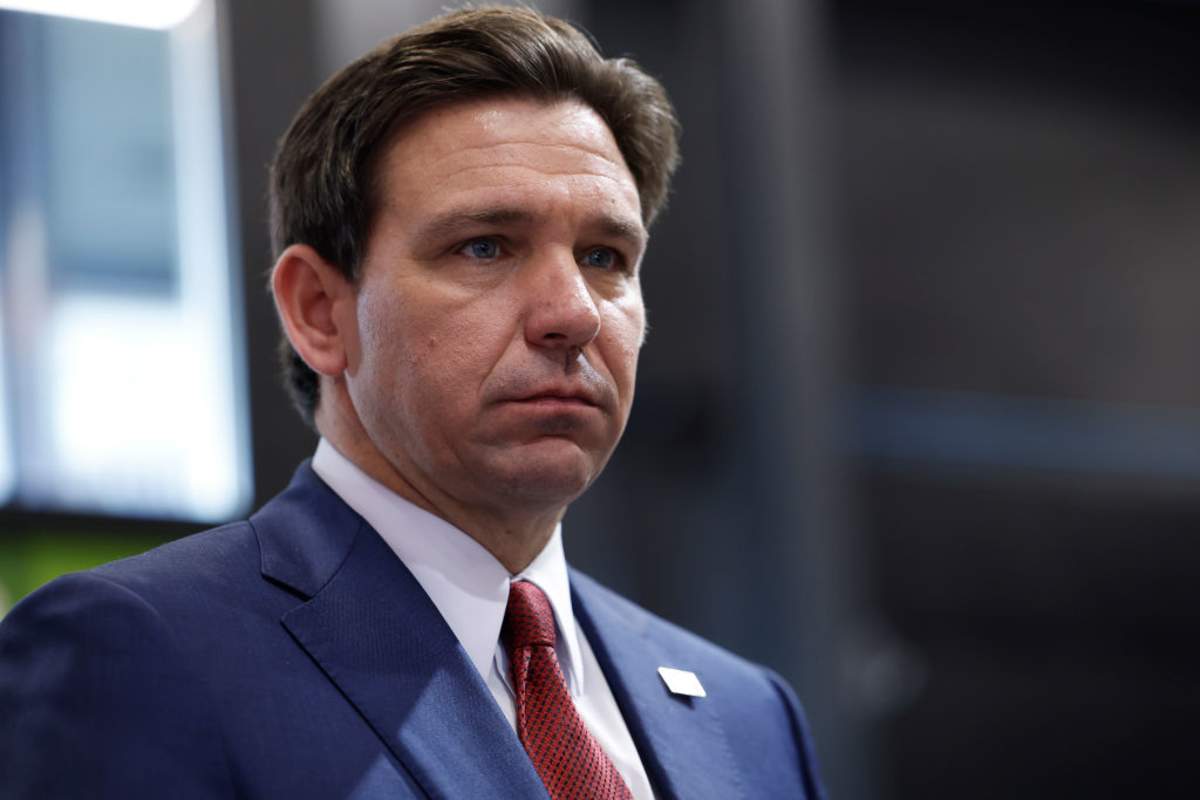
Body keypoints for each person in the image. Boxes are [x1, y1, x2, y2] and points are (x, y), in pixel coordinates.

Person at [0, 7, 824, 799]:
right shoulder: (139, 654)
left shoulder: (749, 714)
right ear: (321, 311)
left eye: (605, 255)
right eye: (485, 246)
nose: (573, 312)